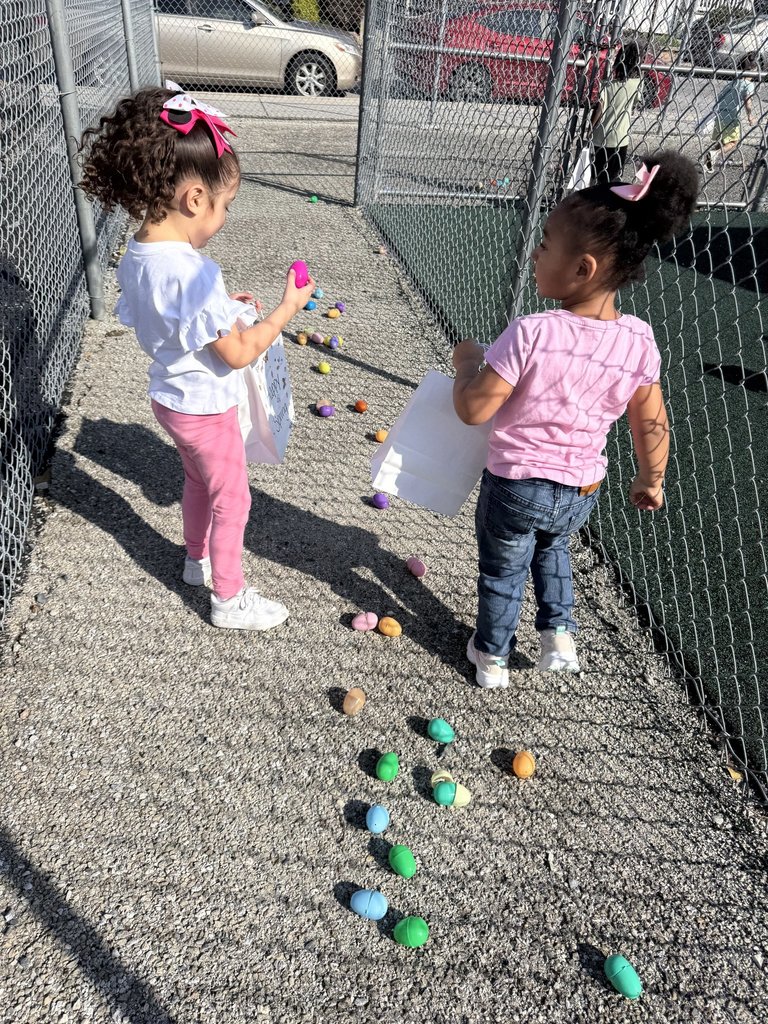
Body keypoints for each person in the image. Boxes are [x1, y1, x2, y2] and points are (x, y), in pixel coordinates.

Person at [452, 151, 699, 688]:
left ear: (583, 267)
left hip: (517, 484)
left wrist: (467, 362)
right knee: (554, 547)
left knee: (502, 571)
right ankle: (558, 631)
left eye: (544, 244)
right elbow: (652, 423)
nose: (536, 253)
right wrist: (651, 478)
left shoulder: (533, 331)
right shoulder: (637, 340)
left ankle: (491, 656)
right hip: (581, 488)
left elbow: (474, 408)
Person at [79, 87, 315, 631]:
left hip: (170, 401)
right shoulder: (195, 273)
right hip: (207, 409)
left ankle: (195, 559)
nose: (224, 216)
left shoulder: (138, 255)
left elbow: (176, 319)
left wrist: (228, 308)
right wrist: (283, 310)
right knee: (234, 500)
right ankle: (229, 598)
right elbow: (236, 354)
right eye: (224, 204)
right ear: (192, 199)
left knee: (195, 482)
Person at [591, 41, 643, 185]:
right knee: (612, 178)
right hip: (620, 138)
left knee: (596, 174)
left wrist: (589, 128)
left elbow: (600, 108)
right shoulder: (637, 83)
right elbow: (637, 100)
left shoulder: (607, 85)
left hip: (601, 136)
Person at [704, 52, 758, 171]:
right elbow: (748, 101)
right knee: (733, 141)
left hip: (720, 114)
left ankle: (710, 160)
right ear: (754, 69)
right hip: (731, 116)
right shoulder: (748, 84)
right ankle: (714, 154)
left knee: (723, 140)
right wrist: (750, 116)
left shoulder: (734, 81)